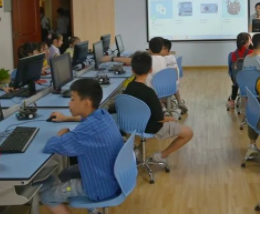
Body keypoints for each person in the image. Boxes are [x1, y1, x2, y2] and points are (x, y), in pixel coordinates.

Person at [39, 79, 123, 214]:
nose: (69, 103)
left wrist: (59, 135)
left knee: (46, 196)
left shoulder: (85, 132)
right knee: (67, 172)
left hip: (99, 187)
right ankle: (94, 211)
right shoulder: (103, 115)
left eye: (72, 99)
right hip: (112, 177)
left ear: (86, 103)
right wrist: (65, 118)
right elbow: (83, 119)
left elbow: (50, 146)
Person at [123, 51, 193, 164]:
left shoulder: (129, 87)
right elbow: (159, 118)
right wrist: (171, 119)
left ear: (132, 70)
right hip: (150, 126)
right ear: (150, 70)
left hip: (132, 124)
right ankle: (160, 156)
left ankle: (139, 152)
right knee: (188, 133)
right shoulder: (149, 92)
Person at [227, 32, 253, 109]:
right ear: (247, 42)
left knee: (236, 82)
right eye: (250, 39)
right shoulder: (252, 53)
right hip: (249, 82)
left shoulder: (232, 54)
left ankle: (232, 100)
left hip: (236, 80)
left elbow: (230, 71)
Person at [161, 38, 187, 113]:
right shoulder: (172, 57)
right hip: (175, 83)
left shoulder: (162, 59)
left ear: (166, 50)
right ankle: (179, 102)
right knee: (173, 84)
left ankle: (162, 106)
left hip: (164, 86)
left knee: (151, 83)